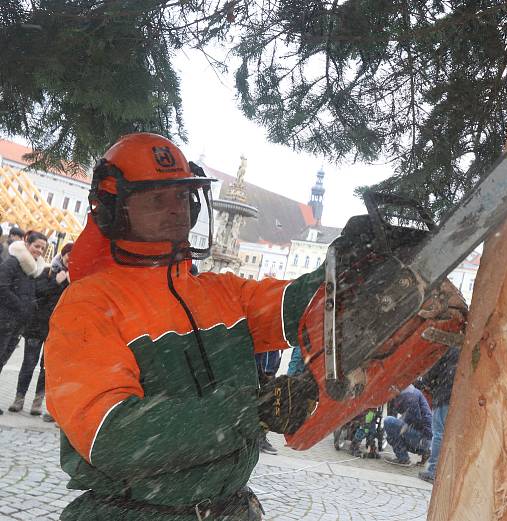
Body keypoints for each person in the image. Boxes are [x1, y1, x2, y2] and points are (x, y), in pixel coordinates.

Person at [44, 133, 324, 520]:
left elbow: (304, 306)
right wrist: (248, 409)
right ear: (114, 210)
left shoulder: (218, 292)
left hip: (227, 508)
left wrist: (349, 267)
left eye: (180, 197)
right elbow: (114, 436)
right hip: (134, 512)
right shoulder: (89, 305)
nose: (175, 210)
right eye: (157, 199)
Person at [8, 242, 72, 420]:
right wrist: (56, 283)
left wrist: (67, 283)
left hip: (57, 330)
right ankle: (19, 398)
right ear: (63, 254)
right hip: (37, 327)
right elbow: (37, 292)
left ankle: (38, 401)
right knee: (28, 364)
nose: (71, 259)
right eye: (69, 255)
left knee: (47, 368)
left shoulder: (74, 279)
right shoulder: (47, 271)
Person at [0, 230, 48, 414]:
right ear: (27, 244)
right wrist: (21, 307)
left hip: (17, 324)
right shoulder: (13, 262)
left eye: (42, 248)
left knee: (3, 360)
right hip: (5, 319)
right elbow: (2, 287)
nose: (39, 251)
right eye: (36, 246)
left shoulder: (32, 269)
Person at [415, 346, 459, 483]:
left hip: (445, 394)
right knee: (453, 435)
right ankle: (449, 472)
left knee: (439, 434)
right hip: (460, 396)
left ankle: (433, 471)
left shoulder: (448, 348)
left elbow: (433, 371)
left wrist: (424, 382)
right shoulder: (466, 347)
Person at [383, 384, 433, 467]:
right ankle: (424, 450)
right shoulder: (408, 391)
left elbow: (415, 420)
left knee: (388, 421)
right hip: (425, 437)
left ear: (394, 388)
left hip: (422, 437)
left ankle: (404, 459)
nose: (389, 394)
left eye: (390, 390)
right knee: (392, 433)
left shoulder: (409, 396)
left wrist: (400, 431)